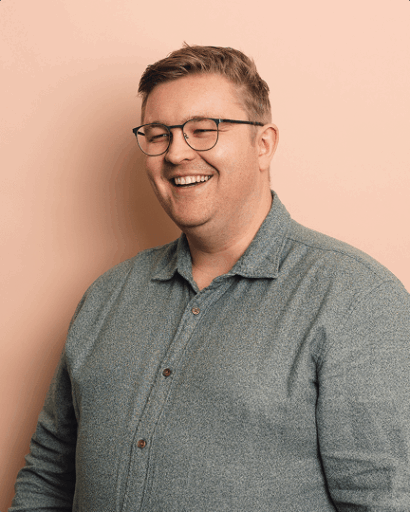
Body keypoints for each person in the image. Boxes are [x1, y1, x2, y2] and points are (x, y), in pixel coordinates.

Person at [10, 44, 410, 512]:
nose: (177, 153)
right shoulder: (107, 295)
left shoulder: (356, 299)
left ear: (263, 145)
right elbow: (47, 476)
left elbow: (384, 499)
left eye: (203, 130)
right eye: (158, 135)